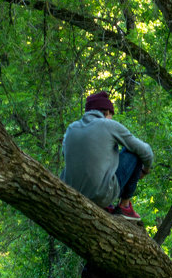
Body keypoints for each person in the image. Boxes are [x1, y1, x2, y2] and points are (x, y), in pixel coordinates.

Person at [61, 91, 154, 222]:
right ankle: (124, 206)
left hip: (71, 193)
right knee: (134, 152)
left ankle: (108, 205)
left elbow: (66, 155)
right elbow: (146, 151)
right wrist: (146, 169)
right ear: (106, 113)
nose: (111, 118)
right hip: (100, 195)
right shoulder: (108, 124)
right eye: (111, 115)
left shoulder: (71, 128)